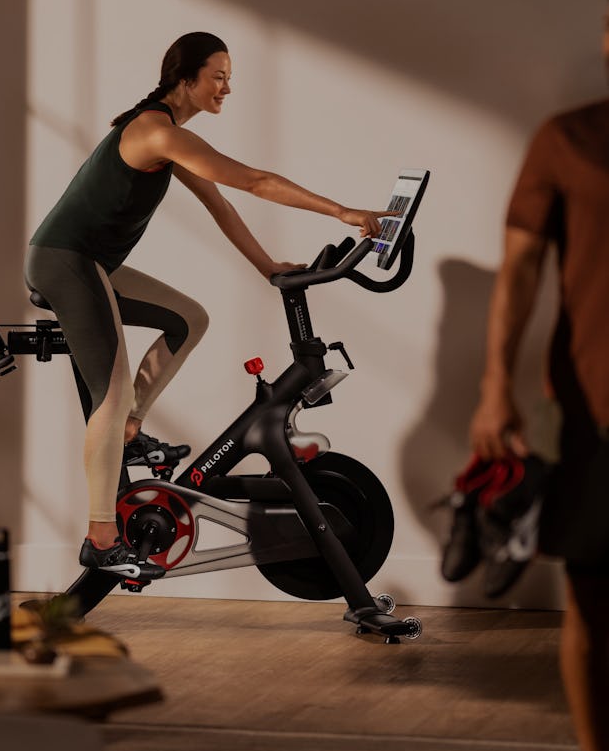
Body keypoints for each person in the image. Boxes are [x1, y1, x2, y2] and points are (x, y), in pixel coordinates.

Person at [26, 31, 393, 582]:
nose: (227, 87)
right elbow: (254, 181)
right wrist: (341, 212)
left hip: (89, 262)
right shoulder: (154, 131)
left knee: (188, 319)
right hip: (66, 260)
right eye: (218, 76)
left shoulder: (172, 138)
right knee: (111, 387)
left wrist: (269, 266)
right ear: (186, 78)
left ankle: (129, 426)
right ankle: (100, 538)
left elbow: (222, 206)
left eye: (229, 76)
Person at [469, 6, 609, 751]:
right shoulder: (568, 140)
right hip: (593, 410)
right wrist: (496, 387)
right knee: (592, 604)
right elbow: (517, 271)